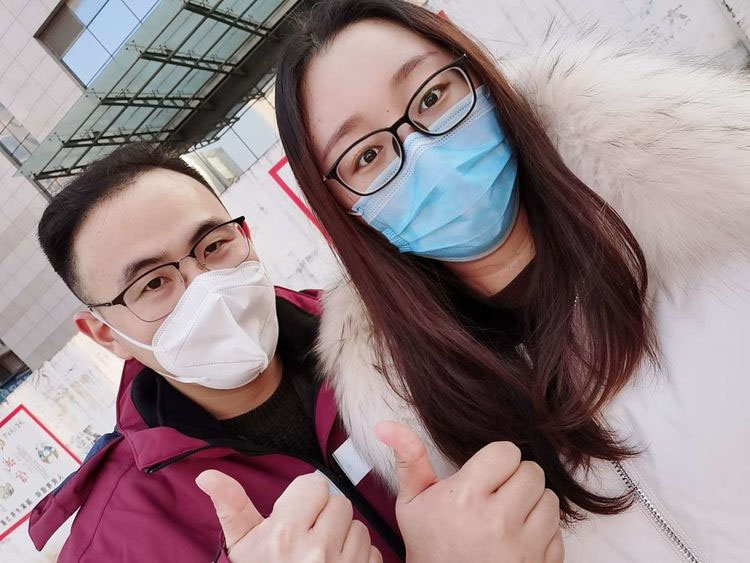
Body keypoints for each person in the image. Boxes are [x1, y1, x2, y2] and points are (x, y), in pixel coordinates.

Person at [273, 0, 750, 561]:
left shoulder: (719, 216)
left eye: (431, 97)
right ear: (342, 209)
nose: (425, 151)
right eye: (368, 155)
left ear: (477, 73)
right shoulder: (420, 428)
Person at [28, 143, 563, 562]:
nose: (205, 287)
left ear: (245, 236)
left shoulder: (402, 327)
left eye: (214, 246)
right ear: (105, 334)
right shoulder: (117, 540)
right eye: (152, 284)